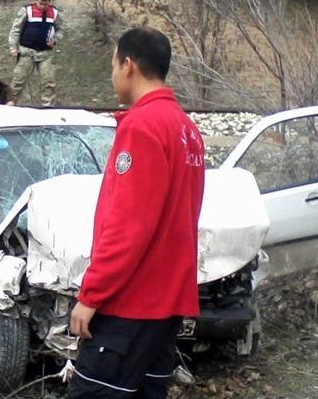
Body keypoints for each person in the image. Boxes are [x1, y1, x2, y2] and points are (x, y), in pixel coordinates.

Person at [67, 27, 206, 399]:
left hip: (132, 304)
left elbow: (129, 225)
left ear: (128, 65)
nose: (112, 73)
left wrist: (91, 295)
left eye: (113, 63)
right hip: (166, 305)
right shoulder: (186, 129)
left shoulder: (143, 127)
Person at [8, 0, 64, 106]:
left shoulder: (54, 12)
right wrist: (13, 47)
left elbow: (61, 29)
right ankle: (9, 105)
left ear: (49, 2)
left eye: (45, 4)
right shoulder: (26, 11)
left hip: (46, 54)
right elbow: (16, 29)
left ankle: (48, 108)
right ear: (36, 1)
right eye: (40, 4)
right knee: (18, 81)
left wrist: (55, 40)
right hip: (27, 52)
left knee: (48, 82)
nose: (43, 6)